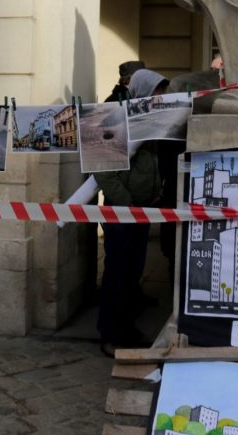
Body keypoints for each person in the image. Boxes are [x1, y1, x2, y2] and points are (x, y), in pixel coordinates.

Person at [95, 68, 168, 356]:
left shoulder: (149, 120)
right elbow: (104, 170)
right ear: (142, 92)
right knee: (117, 274)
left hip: (140, 210)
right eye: (156, 93)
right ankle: (110, 333)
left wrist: (155, 192)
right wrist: (127, 203)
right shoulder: (114, 119)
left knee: (132, 273)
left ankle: (126, 328)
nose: (160, 98)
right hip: (122, 212)